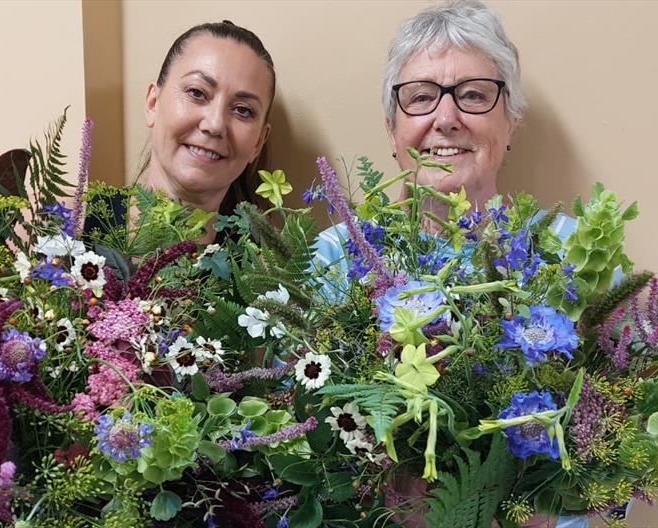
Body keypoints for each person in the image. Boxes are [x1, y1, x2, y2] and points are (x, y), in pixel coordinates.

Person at [313, 2, 597, 527]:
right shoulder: (335, 254)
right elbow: (305, 438)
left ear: (511, 120)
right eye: (420, 97)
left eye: (472, 95)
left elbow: (614, 443)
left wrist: (549, 509)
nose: (446, 118)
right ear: (391, 125)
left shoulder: (573, 255)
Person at [139, 20, 275, 243]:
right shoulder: (69, 229)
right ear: (153, 103)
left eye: (242, 110)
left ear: (259, 142)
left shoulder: (271, 270)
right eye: (196, 92)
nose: (215, 124)